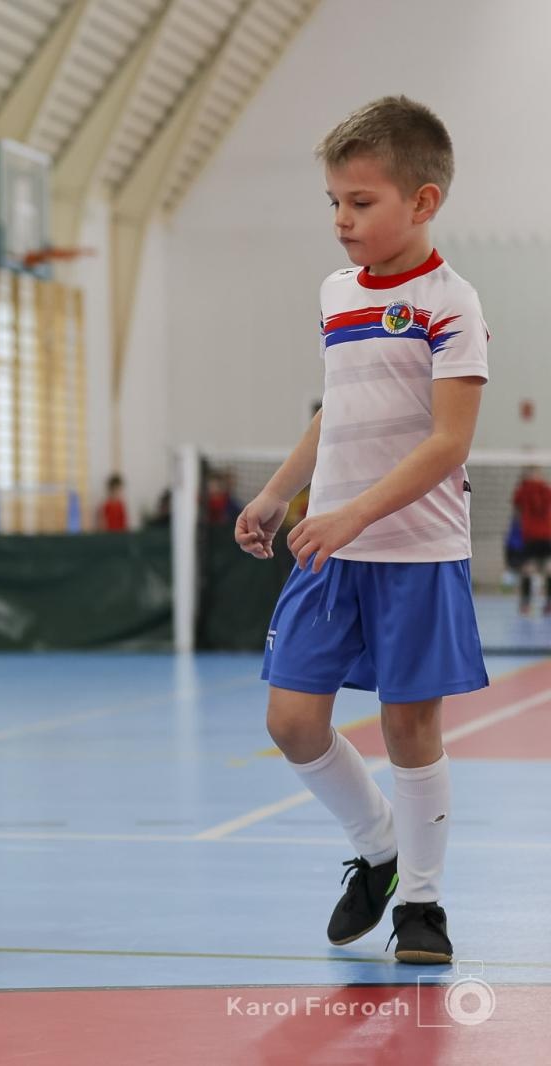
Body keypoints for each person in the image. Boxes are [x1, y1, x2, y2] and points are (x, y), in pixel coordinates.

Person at [235, 97, 488, 965]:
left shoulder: (450, 304)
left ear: (422, 202)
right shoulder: (336, 293)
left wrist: (348, 514)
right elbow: (334, 414)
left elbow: (448, 441)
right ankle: (378, 848)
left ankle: (422, 903)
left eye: (362, 202)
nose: (341, 220)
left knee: (412, 730)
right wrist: (278, 495)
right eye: (334, 202)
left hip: (414, 553)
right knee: (293, 720)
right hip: (331, 550)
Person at [510, 466, 551, 614]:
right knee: (535, 569)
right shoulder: (545, 489)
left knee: (538, 569)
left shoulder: (524, 490)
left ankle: (527, 604)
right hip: (538, 536)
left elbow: (516, 505)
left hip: (536, 536)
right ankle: (532, 603)